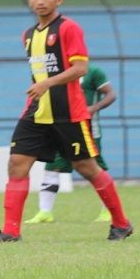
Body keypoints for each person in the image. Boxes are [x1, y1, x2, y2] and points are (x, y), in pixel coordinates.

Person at [0, 0, 132, 243]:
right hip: (36, 113)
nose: (40, 1)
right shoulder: (28, 35)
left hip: (68, 114)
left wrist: (46, 84)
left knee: (86, 167)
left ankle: (121, 223)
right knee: (17, 164)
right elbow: (38, 74)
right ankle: (10, 231)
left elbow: (80, 69)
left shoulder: (68, 28)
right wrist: (38, 92)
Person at [24, 64, 116, 224]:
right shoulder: (55, 72)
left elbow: (111, 94)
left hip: (88, 130)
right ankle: (45, 212)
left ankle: (108, 211)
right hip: (61, 127)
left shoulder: (93, 71)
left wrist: (94, 108)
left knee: (96, 169)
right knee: (52, 167)